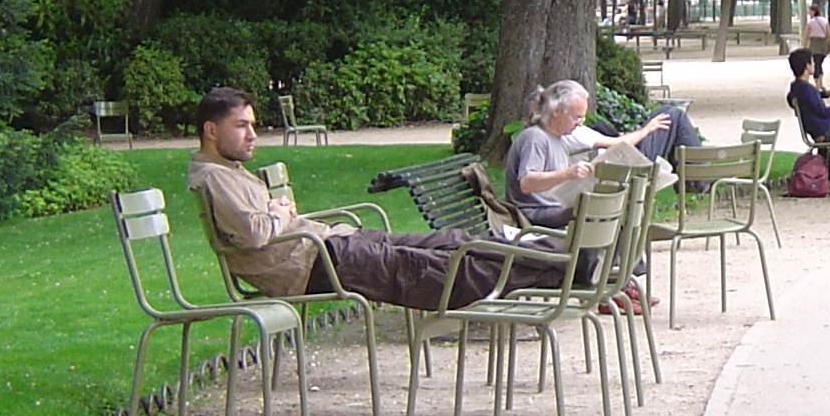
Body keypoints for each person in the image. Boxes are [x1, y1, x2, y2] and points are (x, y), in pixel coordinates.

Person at [185, 89, 564, 310]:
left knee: (453, 242)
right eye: (242, 126)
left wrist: (277, 213)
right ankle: (568, 269)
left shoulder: (229, 170)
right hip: (314, 264)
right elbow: (254, 236)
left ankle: (564, 257)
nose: (253, 134)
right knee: (441, 270)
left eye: (252, 125)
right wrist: (279, 212)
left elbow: (264, 224)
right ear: (211, 131)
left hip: (329, 246)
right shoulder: (214, 178)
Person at [504, 80, 692, 229]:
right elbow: (527, 183)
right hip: (537, 213)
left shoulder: (557, 138)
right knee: (604, 211)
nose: (581, 122)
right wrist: (568, 174)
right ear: (556, 112)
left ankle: (621, 270)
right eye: (577, 117)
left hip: (554, 207)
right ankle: (612, 271)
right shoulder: (535, 137)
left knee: (618, 206)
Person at [803, 4, 830, 77]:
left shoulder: (811, 22)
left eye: (810, 11)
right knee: (819, 62)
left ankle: (818, 81)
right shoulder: (825, 21)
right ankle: (820, 82)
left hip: (814, 43)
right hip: (823, 43)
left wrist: (804, 46)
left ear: (813, 12)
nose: (809, 13)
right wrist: (827, 43)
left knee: (816, 62)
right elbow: (828, 33)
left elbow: (807, 35)